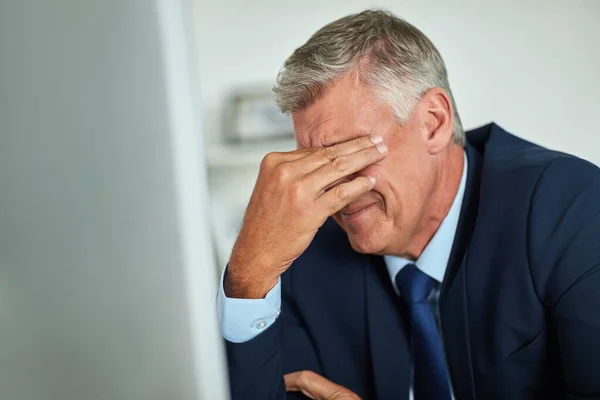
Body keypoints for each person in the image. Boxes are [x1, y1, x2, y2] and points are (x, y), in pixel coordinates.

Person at [217, 9, 600, 400]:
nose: (336, 188)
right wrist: (250, 272)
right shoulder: (303, 255)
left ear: (434, 122)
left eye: (347, 155)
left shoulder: (566, 204)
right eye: (314, 166)